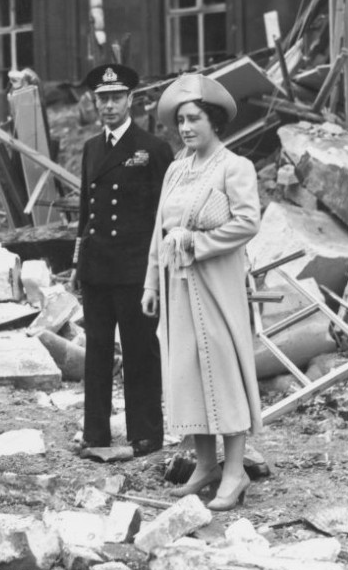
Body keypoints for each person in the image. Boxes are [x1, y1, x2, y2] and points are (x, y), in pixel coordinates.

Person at [141, 74, 262, 511]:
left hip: (216, 287)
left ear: (214, 120)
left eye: (194, 119)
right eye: (181, 121)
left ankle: (235, 471)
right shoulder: (176, 167)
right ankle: (205, 464)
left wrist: (198, 242)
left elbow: (248, 222)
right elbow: (161, 229)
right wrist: (152, 281)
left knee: (223, 371)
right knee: (188, 372)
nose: (187, 128)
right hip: (177, 288)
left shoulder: (235, 167)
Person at [72, 64, 174, 457]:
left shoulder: (153, 148)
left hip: (136, 271)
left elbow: (164, 217)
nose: (109, 105)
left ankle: (146, 434)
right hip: (98, 270)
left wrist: (159, 273)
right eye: (103, 99)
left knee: (139, 352)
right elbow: (85, 213)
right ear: (95, 102)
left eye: (116, 98)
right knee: (96, 354)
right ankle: (95, 432)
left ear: (131, 99)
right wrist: (78, 265)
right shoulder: (91, 149)